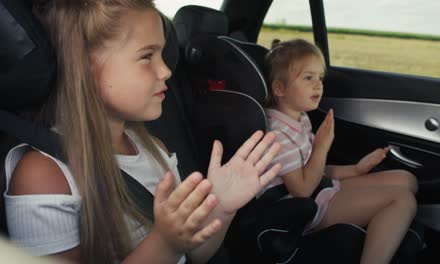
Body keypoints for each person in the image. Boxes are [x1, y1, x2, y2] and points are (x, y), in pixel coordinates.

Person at [3, 1, 282, 263]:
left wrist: (221, 207)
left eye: (162, 54)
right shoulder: (44, 176)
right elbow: (173, 248)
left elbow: (194, 255)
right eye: (147, 56)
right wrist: (165, 243)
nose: (165, 71)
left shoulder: (154, 148)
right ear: (84, 68)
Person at [262, 38, 418, 264]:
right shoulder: (278, 134)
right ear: (279, 88)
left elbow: (314, 171)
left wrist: (356, 169)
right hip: (302, 210)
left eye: (320, 77)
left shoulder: (299, 118)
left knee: (407, 180)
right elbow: (302, 190)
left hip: (320, 189)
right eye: (308, 77)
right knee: (402, 199)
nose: (318, 85)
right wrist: (321, 147)